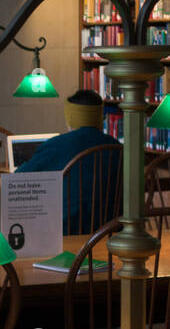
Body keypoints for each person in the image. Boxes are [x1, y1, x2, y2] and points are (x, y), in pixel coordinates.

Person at [15, 89, 121, 233]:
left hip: (68, 229)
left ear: (70, 117)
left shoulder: (56, 146)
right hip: (112, 229)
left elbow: (18, 178)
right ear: (100, 118)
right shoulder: (118, 148)